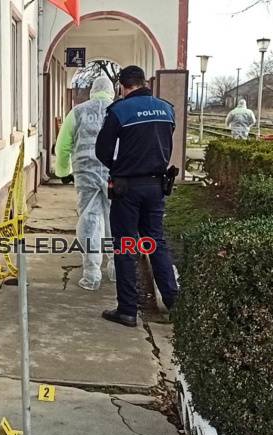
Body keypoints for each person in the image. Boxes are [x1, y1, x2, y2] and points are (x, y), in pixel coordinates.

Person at [94, 66, 179, 327]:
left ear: (122, 85)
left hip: (127, 188)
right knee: (156, 243)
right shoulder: (166, 109)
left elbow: (102, 150)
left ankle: (128, 310)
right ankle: (174, 303)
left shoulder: (119, 111)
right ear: (143, 82)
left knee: (126, 246)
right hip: (156, 185)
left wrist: (118, 167)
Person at [55, 76, 116, 290]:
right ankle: (116, 270)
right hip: (114, 174)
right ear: (111, 92)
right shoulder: (118, 111)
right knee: (115, 218)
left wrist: (63, 171)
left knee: (89, 220)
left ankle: (91, 274)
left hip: (85, 173)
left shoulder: (78, 112)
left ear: (92, 91)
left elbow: (63, 145)